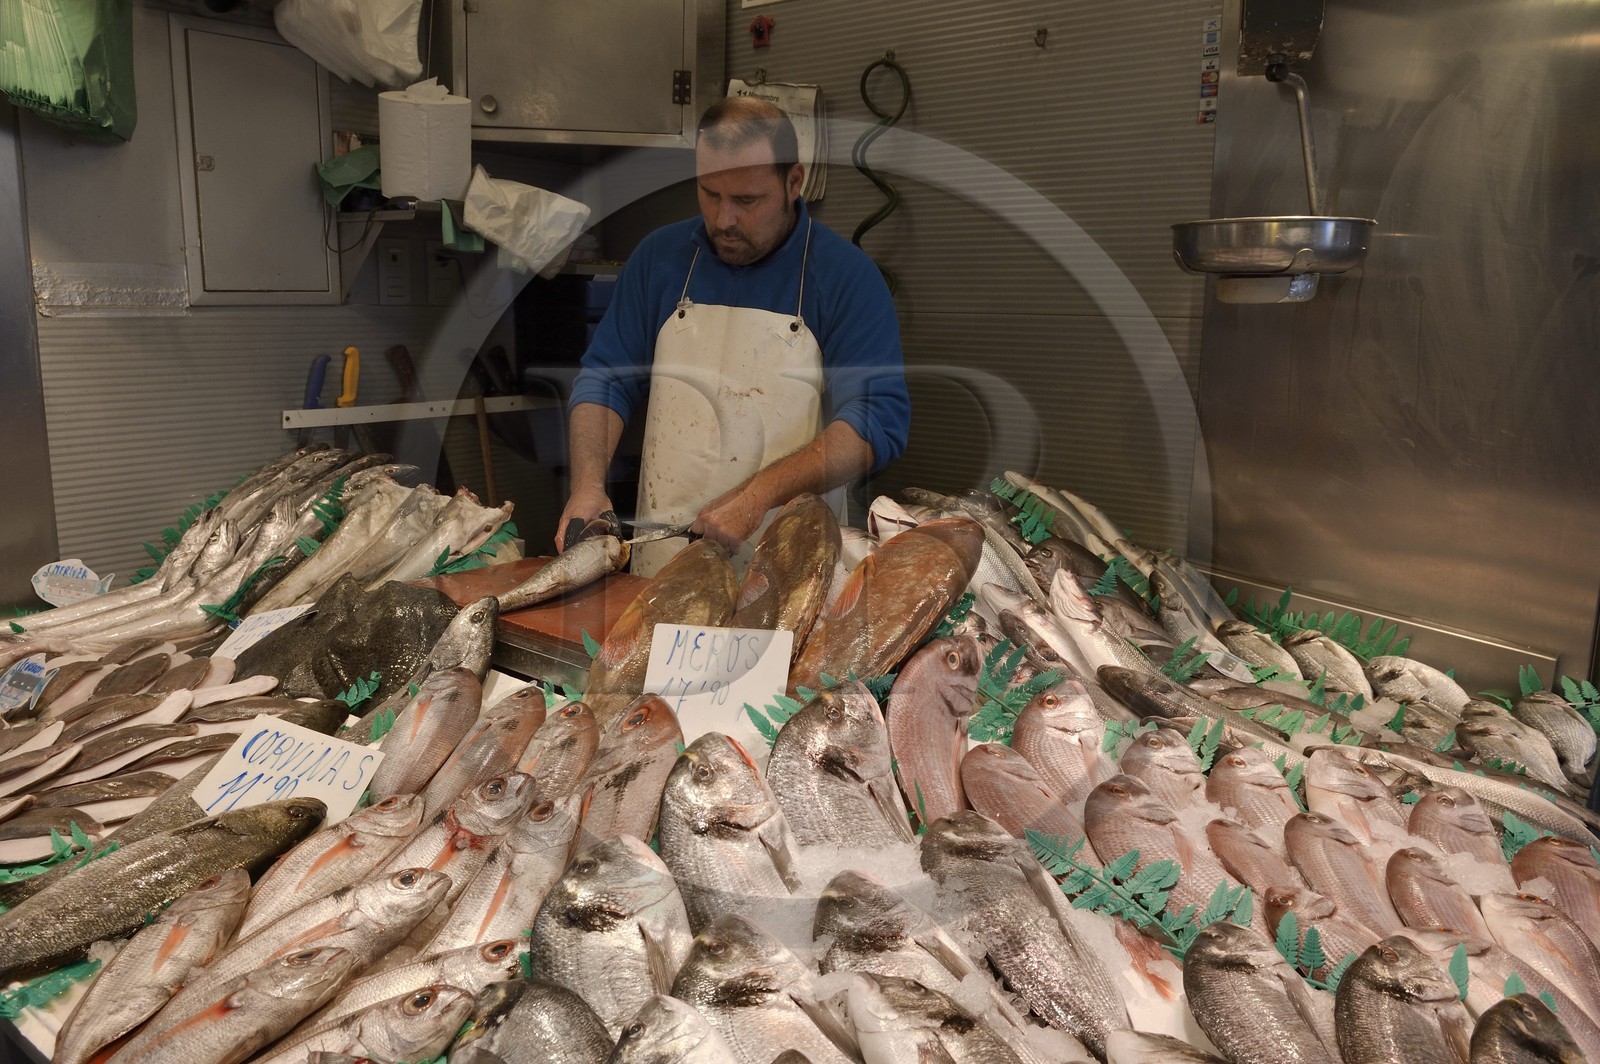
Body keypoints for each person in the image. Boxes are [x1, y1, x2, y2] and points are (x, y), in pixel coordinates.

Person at [556, 96, 911, 576]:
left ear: (793, 182)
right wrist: (586, 487)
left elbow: (876, 420)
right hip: (663, 561)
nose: (724, 220)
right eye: (709, 193)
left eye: (746, 200)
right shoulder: (658, 259)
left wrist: (757, 497)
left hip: (789, 573)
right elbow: (605, 380)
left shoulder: (846, 277)